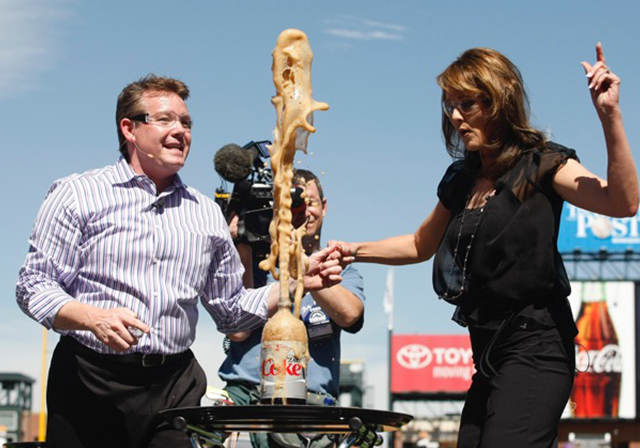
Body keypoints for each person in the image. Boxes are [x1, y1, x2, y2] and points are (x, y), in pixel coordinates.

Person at [330, 43, 638, 447]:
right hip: (487, 353)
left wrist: (609, 115)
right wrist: (351, 250)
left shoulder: (540, 163)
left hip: (536, 345)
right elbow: (420, 244)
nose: (455, 116)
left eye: (467, 104)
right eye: (450, 105)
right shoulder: (460, 178)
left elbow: (623, 202)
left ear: (499, 101)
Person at [15, 75, 345, 448]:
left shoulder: (205, 213)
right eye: (166, 120)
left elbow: (231, 311)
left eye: (186, 123)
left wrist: (300, 282)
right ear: (130, 128)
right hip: (90, 380)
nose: (180, 131)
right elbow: (33, 285)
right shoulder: (77, 193)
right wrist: (91, 317)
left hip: (176, 386)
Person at [218, 168, 366, 448]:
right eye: (290, 203)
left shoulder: (340, 269)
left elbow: (350, 314)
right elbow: (238, 331)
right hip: (246, 403)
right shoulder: (259, 265)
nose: (302, 212)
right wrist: (242, 244)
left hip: (311, 410)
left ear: (324, 207)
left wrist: (300, 266)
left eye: (308, 202)